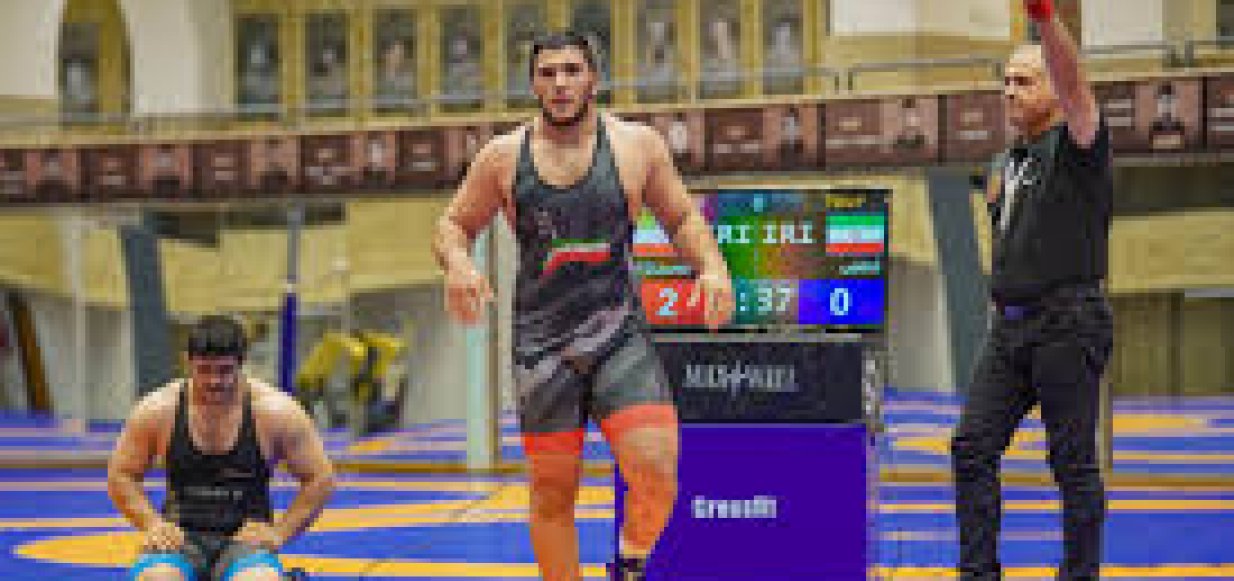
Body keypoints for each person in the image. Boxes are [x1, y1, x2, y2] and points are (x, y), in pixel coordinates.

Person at [432, 31, 733, 581]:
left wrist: (712, 267)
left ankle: (630, 561)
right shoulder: (503, 156)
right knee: (552, 492)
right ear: (533, 84)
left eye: (571, 71)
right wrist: (457, 263)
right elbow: (454, 223)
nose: (560, 84)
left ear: (594, 78)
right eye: (547, 73)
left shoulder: (636, 146)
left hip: (619, 338)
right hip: (542, 350)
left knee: (656, 473)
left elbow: (682, 218)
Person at [951, 1, 1114, 579]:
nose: (1009, 92)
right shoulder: (1007, 161)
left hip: (1068, 324)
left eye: (1024, 81)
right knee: (971, 447)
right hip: (1009, 329)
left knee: (1072, 465)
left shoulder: (1079, 145)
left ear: (1054, 89)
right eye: (1005, 82)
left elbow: (1077, 88)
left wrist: (1045, 20)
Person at [108, 315, 335, 581]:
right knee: (156, 578)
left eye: (225, 370)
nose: (214, 381)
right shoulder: (158, 410)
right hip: (179, 537)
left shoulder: (276, 412)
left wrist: (280, 533)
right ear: (188, 362)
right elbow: (122, 474)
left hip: (246, 542)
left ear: (241, 363)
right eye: (204, 370)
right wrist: (152, 524)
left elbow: (320, 478)